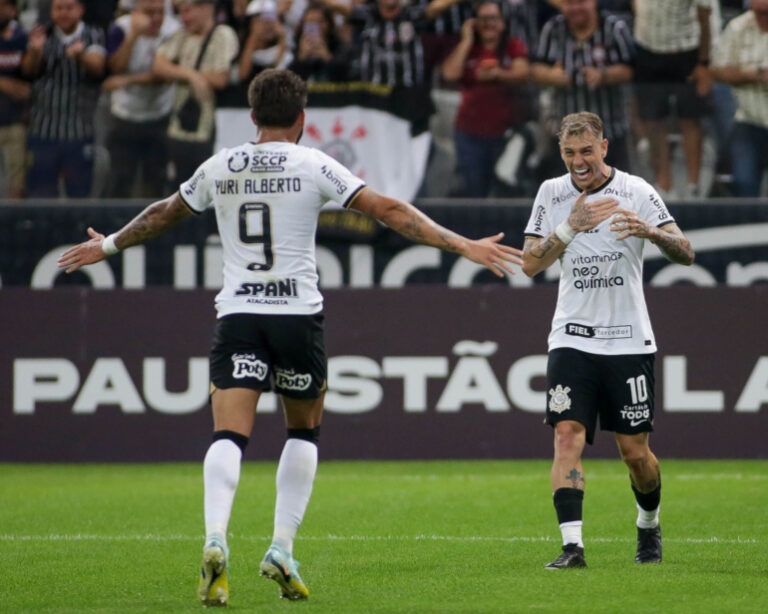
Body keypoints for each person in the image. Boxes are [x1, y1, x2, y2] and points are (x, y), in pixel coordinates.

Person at [57, 68, 523, 606]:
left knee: (228, 436)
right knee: (303, 432)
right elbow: (390, 211)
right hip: (297, 317)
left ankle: (214, 538)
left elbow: (165, 213)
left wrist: (109, 246)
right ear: (303, 119)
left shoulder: (221, 165)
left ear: (253, 117)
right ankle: (280, 547)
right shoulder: (313, 163)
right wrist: (464, 245)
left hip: (239, 317)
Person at [521, 111, 694, 569]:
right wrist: (568, 227)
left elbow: (686, 252)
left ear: (604, 147)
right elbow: (529, 264)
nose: (578, 161)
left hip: (628, 342)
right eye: (569, 153)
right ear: (561, 152)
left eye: (586, 151)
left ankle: (648, 525)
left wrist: (651, 232)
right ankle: (572, 547)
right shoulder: (552, 193)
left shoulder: (636, 191)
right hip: (571, 338)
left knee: (635, 453)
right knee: (567, 436)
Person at [532, 0, 635, 175]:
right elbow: (535, 69)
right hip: (566, 136)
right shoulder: (553, 28)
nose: (575, 8)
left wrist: (604, 75)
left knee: (615, 197)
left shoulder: (614, 28)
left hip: (609, 133)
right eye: (570, 4)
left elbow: (630, 70)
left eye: (581, 2)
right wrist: (552, 76)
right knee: (568, 196)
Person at [441, 0, 529, 197]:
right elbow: (449, 74)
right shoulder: (468, 49)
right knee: (474, 190)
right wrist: (466, 41)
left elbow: (522, 73)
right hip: (469, 133)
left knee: (504, 187)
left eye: (493, 19)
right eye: (483, 19)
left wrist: (498, 74)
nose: (488, 24)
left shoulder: (512, 45)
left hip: (505, 133)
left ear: (503, 22)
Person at [21, 0, 106, 197]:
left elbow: (97, 67)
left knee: (79, 194)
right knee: (40, 195)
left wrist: (80, 56)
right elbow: (28, 72)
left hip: (78, 131)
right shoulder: (42, 34)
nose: (63, 13)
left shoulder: (93, 34)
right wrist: (35, 51)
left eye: (69, 8)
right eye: (58, 8)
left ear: (80, 10)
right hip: (43, 131)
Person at [152, 0, 238, 190]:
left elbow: (221, 78)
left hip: (208, 131)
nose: (184, 18)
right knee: (178, 190)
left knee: (206, 191)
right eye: (181, 13)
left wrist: (182, 73)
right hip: (179, 128)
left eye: (188, 11)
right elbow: (158, 65)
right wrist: (191, 75)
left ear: (206, 8)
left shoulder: (223, 35)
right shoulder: (182, 35)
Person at [632, 0, 714, 199]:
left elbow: (705, 16)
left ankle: (693, 186)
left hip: (685, 51)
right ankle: (664, 185)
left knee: (690, 119)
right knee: (653, 121)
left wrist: (703, 62)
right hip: (647, 51)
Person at [103, 0, 179, 197]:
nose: (155, 18)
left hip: (160, 115)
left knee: (155, 183)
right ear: (135, 12)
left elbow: (161, 76)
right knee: (119, 180)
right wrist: (134, 36)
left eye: (159, 12)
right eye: (149, 12)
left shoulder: (173, 30)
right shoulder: (121, 28)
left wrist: (126, 80)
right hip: (124, 114)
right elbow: (116, 67)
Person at [711, 0, 768, 197]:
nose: (762, 18)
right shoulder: (738, 27)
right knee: (744, 183)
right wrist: (755, 75)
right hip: (748, 122)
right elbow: (718, 71)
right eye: (758, 12)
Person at [0, 0, 30, 198]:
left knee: (16, 185)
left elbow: (26, 90)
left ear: (12, 9)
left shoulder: (23, 39)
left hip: (15, 124)